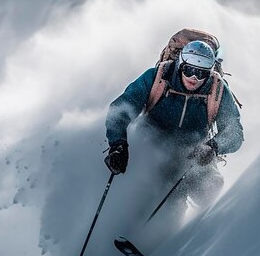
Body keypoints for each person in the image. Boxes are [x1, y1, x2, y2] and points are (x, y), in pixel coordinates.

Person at [104, 38, 243, 223]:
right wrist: (118, 144)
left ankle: (198, 236)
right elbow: (120, 110)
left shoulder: (217, 90)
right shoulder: (158, 77)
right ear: (180, 64)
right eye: (189, 70)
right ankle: (143, 235)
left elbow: (235, 133)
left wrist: (213, 146)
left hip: (194, 152)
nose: (194, 78)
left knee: (211, 186)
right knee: (165, 189)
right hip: (153, 143)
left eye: (201, 73)